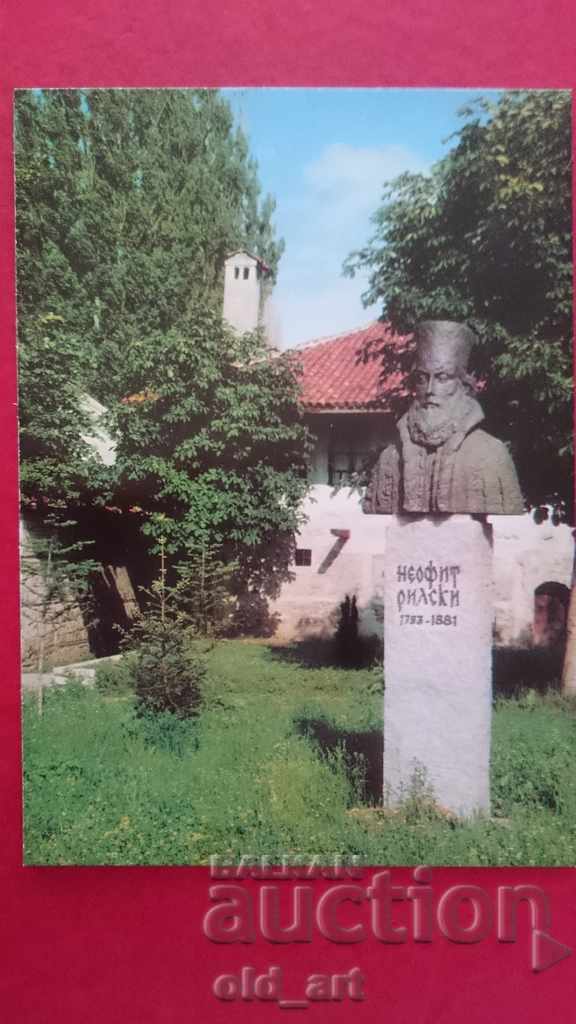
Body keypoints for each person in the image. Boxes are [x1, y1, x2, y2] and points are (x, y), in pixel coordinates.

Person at [363, 320, 524, 515]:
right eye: (422, 379)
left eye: (443, 378)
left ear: (463, 385)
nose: (430, 390)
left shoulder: (492, 453)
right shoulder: (390, 458)